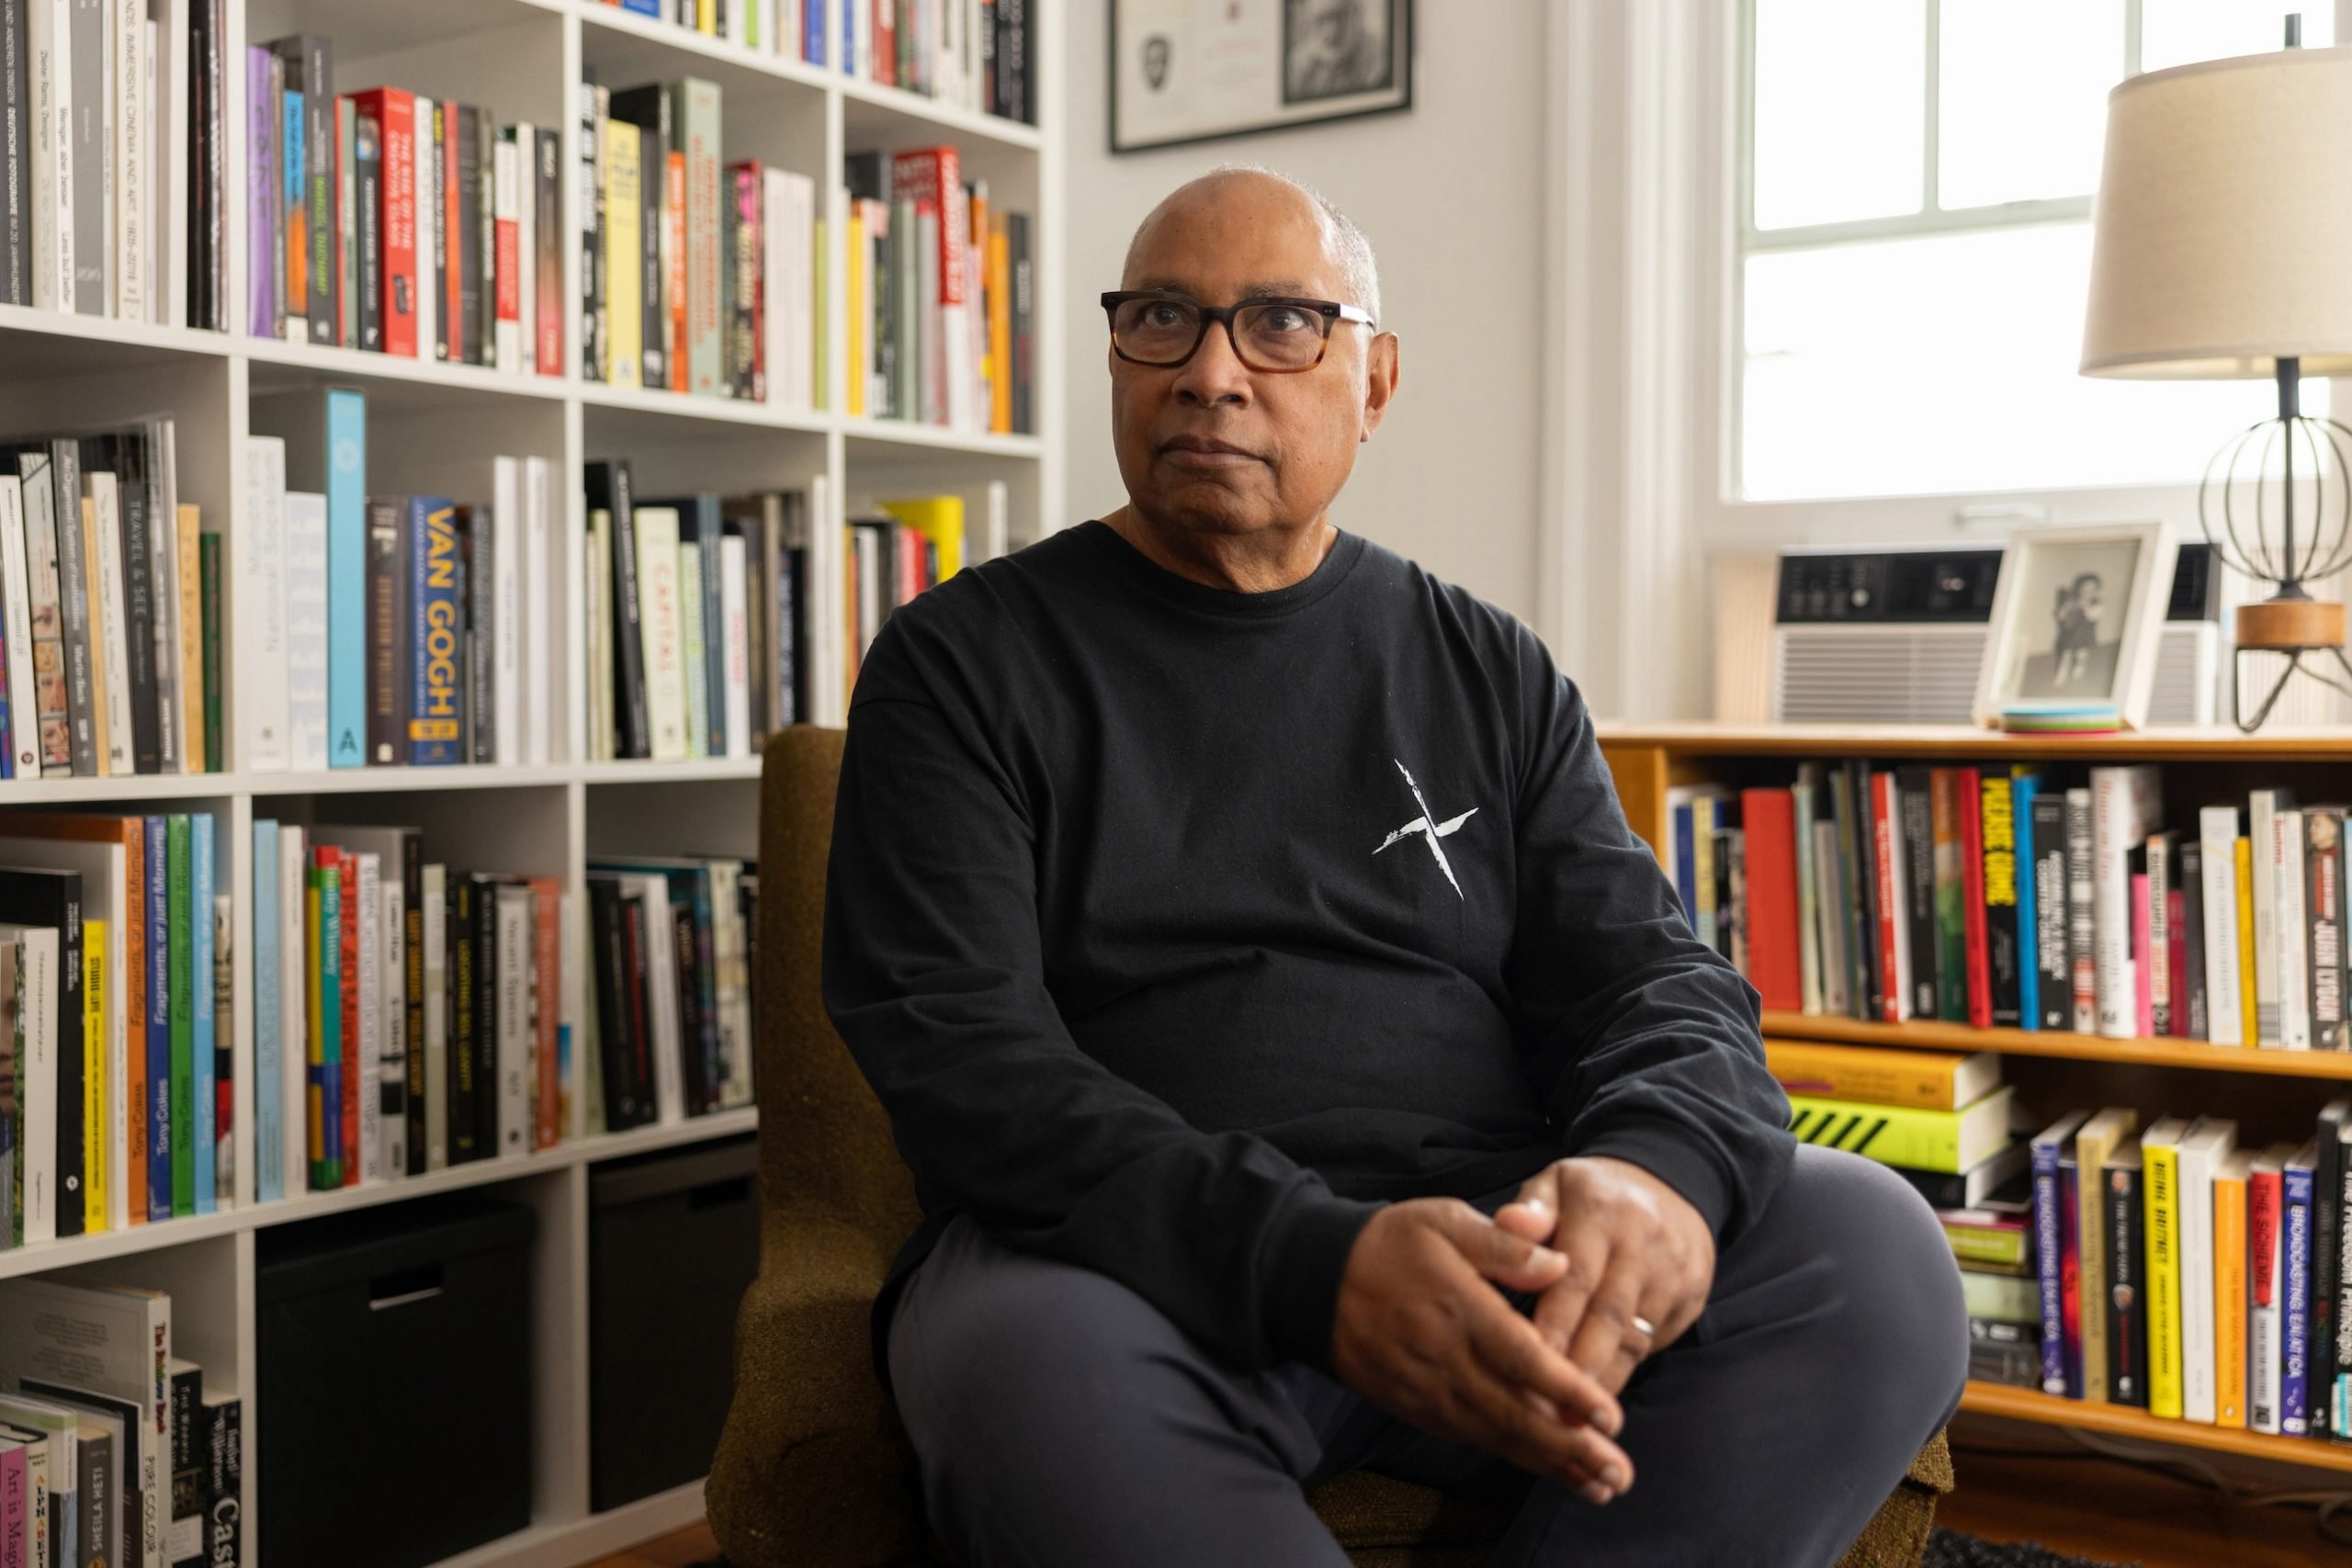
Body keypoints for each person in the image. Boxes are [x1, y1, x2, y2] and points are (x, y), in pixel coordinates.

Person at [823, 165, 1967, 1568]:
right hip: (1130, 1267)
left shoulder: (1488, 668)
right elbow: (963, 1058)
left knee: (1870, 1242)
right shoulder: (961, 665)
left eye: (1283, 324)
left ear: (1376, 381)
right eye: (1163, 319)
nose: (1211, 375)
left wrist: (1653, 1169)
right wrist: (1316, 1261)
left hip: (1505, 1246)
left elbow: (1650, 976)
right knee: (1010, 1362)